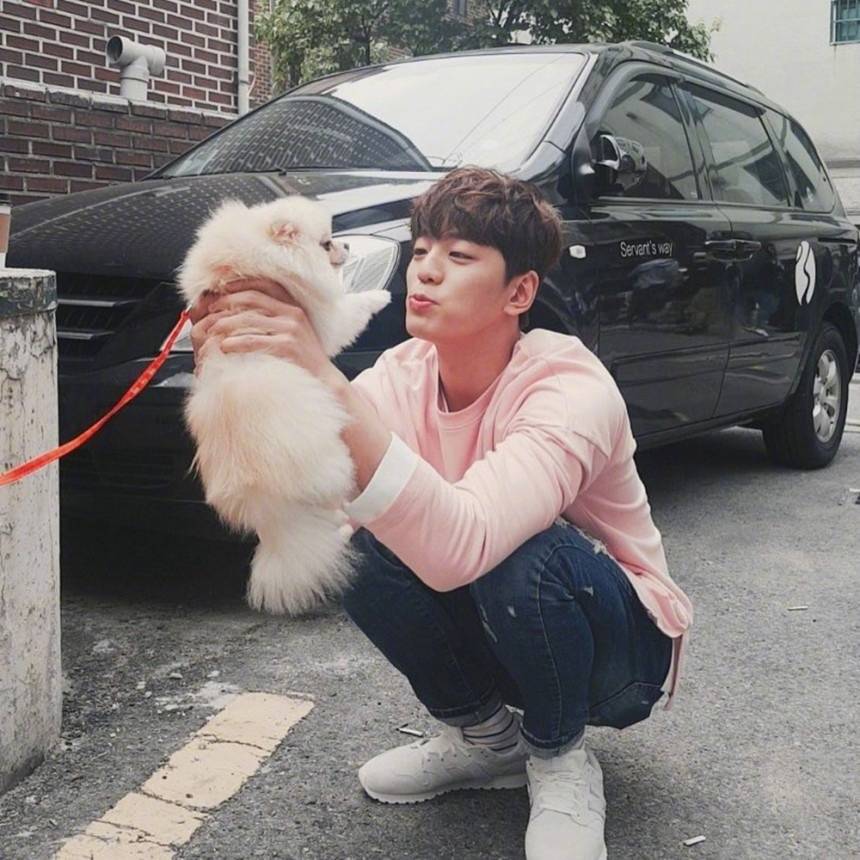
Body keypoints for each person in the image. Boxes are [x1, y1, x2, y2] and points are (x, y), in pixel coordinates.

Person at [189, 166, 694, 860]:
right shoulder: (401, 374)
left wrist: (324, 374)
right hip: (501, 626)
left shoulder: (569, 387)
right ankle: (488, 740)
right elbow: (319, 495)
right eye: (422, 250)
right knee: (354, 541)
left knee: (525, 553)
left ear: (519, 292)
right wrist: (243, 372)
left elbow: (467, 543)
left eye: (458, 256)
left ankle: (560, 759)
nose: (425, 270)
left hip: (619, 657)